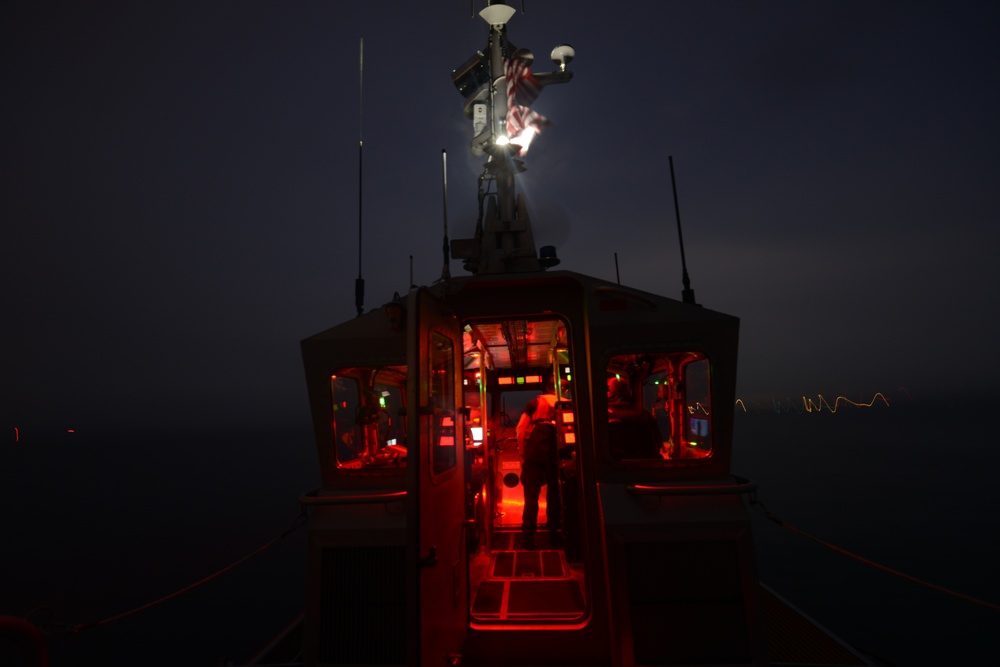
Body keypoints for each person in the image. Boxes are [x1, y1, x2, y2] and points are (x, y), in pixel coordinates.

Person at [516, 378, 562, 550]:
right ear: (561, 390)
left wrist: (522, 451)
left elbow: (520, 428)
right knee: (554, 496)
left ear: (546, 388)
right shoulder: (565, 403)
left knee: (531, 498)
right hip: (555, 454)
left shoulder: (535, 403)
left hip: (534, 453)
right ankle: (554, 535)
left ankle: (528, 538)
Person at [607, 377, 662, 459]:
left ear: (609, 392)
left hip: (612, 466)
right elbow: (657, 443)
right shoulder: (643, 414)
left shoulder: (603, 415)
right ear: (628, 392)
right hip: (643, 466)